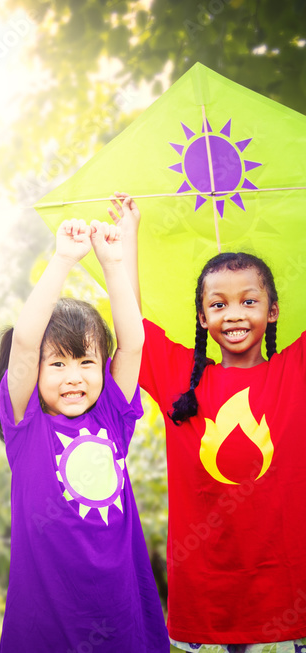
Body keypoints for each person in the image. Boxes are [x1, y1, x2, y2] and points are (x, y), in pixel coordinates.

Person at [113, 194, 306, 653]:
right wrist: (127, 236)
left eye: (249, 301)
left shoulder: (294, 371)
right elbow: (130, 329)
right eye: (218, 305)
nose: (234, 314)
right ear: (202, 317)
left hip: (288, 603)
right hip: (204, 607)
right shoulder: (182, 381)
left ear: (272, 311)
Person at [0, 218, 168, 652]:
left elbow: (133, 344)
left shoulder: (112, 414)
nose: (74, 377)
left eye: (87, 363)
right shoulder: (27, 425)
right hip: (47, 616)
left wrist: (113, 264)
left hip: (118, 609)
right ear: (36, 371)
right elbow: (27, 343)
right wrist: (63, 259)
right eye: (58, 364)